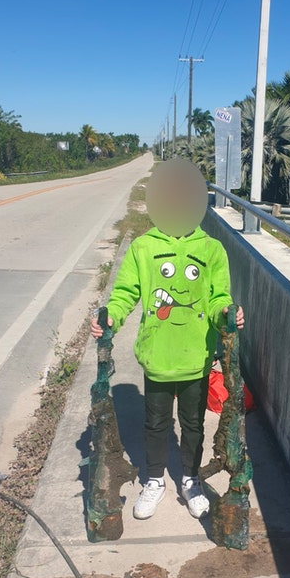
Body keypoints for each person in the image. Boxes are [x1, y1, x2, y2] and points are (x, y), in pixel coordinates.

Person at [91, 158, 244, 519]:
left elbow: (219, 296)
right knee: (156, 423)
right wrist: (111, 315)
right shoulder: (144, 248)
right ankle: (155, 479)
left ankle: (191, 479)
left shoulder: (211, 250)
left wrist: (228, 312)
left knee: (192, 424)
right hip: (158, 356)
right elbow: (125, 292)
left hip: (197, 356)